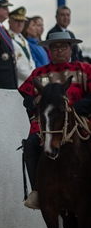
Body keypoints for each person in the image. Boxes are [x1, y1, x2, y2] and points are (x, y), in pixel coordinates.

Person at [19, 31, 91, 210]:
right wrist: (34, 102)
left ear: (71, 48)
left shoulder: (84, 69)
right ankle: (37, 190)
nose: (59, 50)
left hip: (78, 119)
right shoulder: (39, 73)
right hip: (47, 123)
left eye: (63, 46)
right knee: (31, 143)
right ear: (49, 50)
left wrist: (73, 110)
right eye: (55, 47)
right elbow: (26, 97)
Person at [8, 7, 35, 86]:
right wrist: (31, 78)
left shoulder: (22, 38)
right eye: (17, 21)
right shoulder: (8, 38)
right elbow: (17, 65)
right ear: (9, 21)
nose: (20, 24)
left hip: (29, 80)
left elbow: (30, 60)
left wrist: (33, 75)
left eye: (22, 21)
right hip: (20, 82)